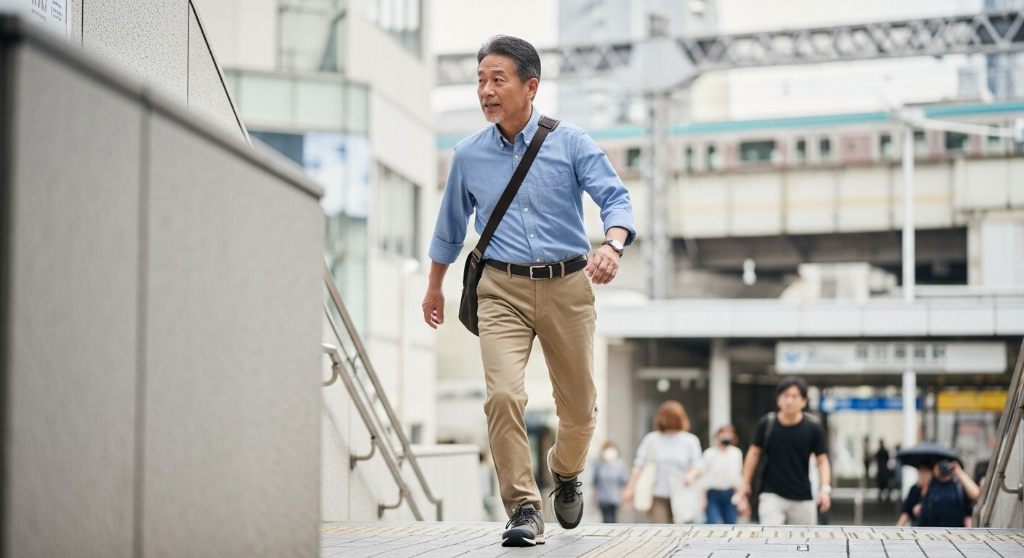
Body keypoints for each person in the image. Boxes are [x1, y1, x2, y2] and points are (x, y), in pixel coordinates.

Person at [421, 35, 635, 548]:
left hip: (568, 287)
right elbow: (450, 228)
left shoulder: (572, 141)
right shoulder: (468, 154)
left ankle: (564, 470)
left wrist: (613, 245)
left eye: (498, 79)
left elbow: (615, 197)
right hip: (500, 289)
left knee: (580, 409)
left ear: (530, 86)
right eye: (480, 80)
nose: (486, 91)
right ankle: (522, 507)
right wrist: (434, 287)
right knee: (502, 395)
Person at [738, 376, 832, 525]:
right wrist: (745, 483)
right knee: (770, 540)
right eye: (785, 396)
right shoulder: (766, 423)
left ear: (803, 401)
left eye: (794, 396)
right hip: (771, 495)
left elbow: (822, 461)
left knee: (805, 543)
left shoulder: (813, 428)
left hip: (803, 496)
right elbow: (753, 454)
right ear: (778, 399)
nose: (789, 401)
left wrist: (825, 490)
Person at [622, 401, 703, 524]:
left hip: (682, 494)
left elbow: (697, 464)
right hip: (658, 494)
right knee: (660, 532)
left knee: (682, 532)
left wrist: (691, 474)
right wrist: (630, 488)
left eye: (673, 417)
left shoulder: (690, 441)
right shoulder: (652, 439)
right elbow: (639, 465)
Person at [696, 424, 744, 524]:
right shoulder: (709, 453)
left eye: (729, 433)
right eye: (724, 433)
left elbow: (738, 476)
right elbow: (703, 477)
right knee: (713, 523)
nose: (726, 436)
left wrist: (741, 498)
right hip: (713, 494)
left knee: (731, 524)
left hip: (730, 494)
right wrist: (702, 499)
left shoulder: (736, 453)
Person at [916, 459, 980, 528]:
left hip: (956, 531)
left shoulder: (958, 485)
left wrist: (959, 472)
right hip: (933, 530)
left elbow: (976, 495)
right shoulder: (931, 484)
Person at [590, 442, 629, 523]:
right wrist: (593, 498)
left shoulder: (620, 465)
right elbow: (594, 483)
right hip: (602, 499)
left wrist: (626, 499)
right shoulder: (599, 465)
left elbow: (624, 483)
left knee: (612, 519)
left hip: (615, 498)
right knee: (606, 519)